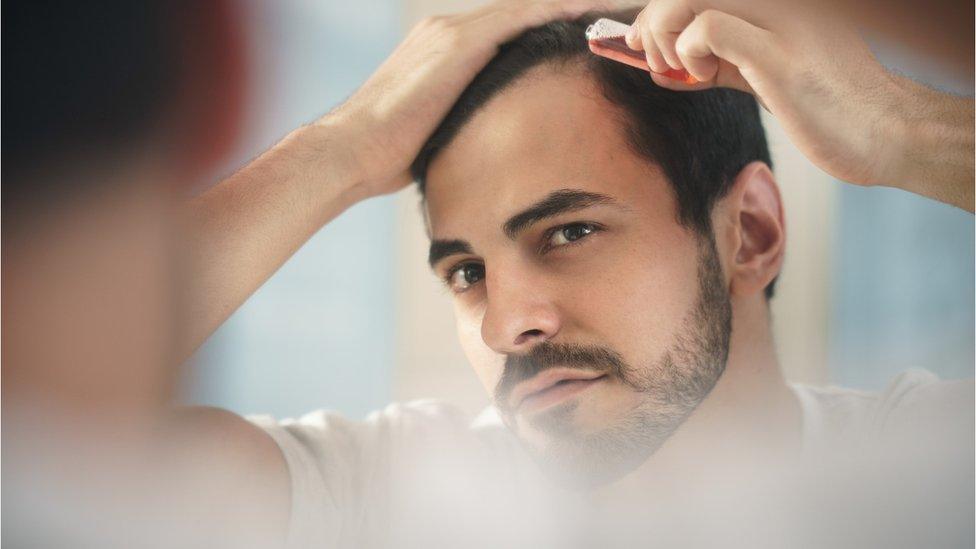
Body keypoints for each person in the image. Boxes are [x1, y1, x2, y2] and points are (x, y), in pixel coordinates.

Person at [3, 0, 972, 547]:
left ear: (751, 231)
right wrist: (339, 150)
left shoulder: (936, 479)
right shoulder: (371, 496)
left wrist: (899, 130)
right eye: (464, 270)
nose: (511, 321)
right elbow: (29, 444)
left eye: (567, 233)